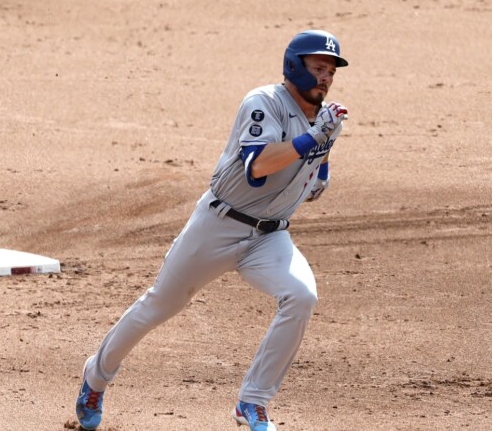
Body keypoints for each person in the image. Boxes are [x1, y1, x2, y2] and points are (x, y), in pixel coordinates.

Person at [75, 30, 350, 431]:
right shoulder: (264, 103)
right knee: (159, 306)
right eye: (318, 68)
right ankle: (95, 378)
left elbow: (316, 170)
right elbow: (257, 167)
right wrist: (312, 139)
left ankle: (253, 402)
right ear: (295, 66)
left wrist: (321, 162)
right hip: (218, 226)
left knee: (301, 295)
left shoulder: (324, 121)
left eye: (330, 71)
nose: (325, 77)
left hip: (269, 237)